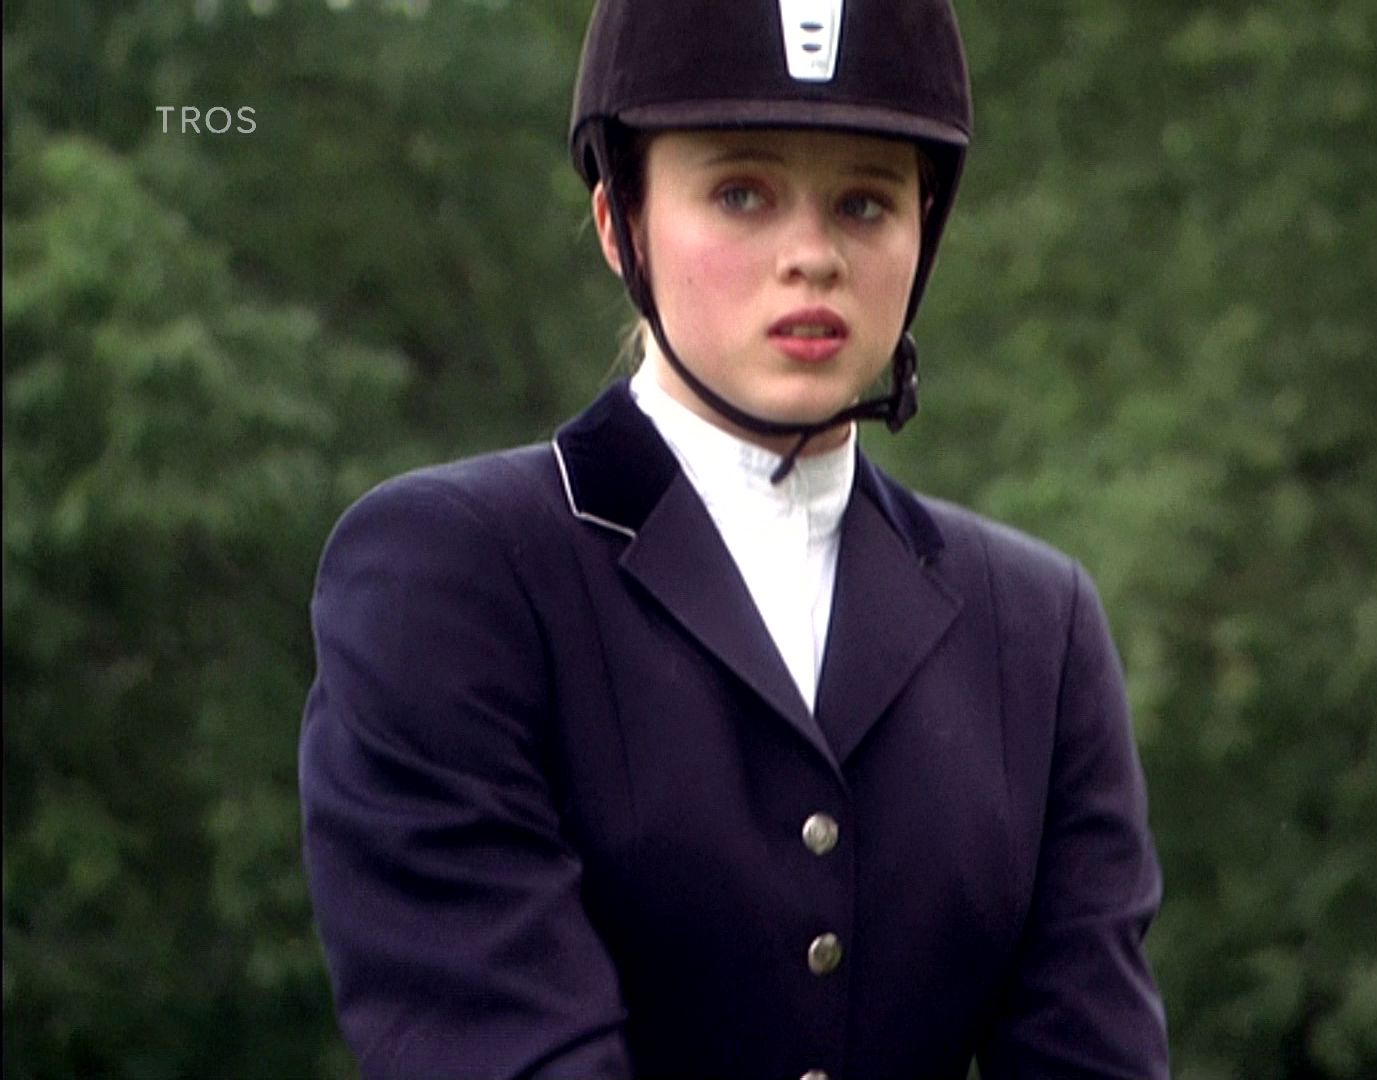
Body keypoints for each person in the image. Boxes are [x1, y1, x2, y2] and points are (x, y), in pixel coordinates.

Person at [296, 1, 1170, 1076]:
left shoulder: (1037, 630)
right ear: (619, 221)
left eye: (864, 203)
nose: (812, 257)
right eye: (741, 194)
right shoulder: (451, 575)